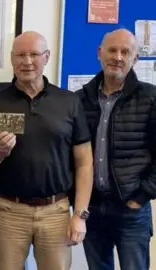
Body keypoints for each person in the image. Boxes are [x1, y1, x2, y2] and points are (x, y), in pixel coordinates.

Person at [0, 31, 94, 270]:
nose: (27, 61)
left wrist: (80, 215)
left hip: (56, 212)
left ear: (47, 57)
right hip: (9, 212)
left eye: (34, 54)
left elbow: (84, 162)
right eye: (21, 55)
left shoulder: (68, 102)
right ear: (11, 59)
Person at [76, 28, 156, 270]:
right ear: (100, 53)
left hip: (131, 210)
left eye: (125, 52)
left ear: (135, 59)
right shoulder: (80, 99)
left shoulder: (151, 97)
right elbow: (74, 154)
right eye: (112, 50)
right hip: (93, 209)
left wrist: (141, 196)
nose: (118, 57)